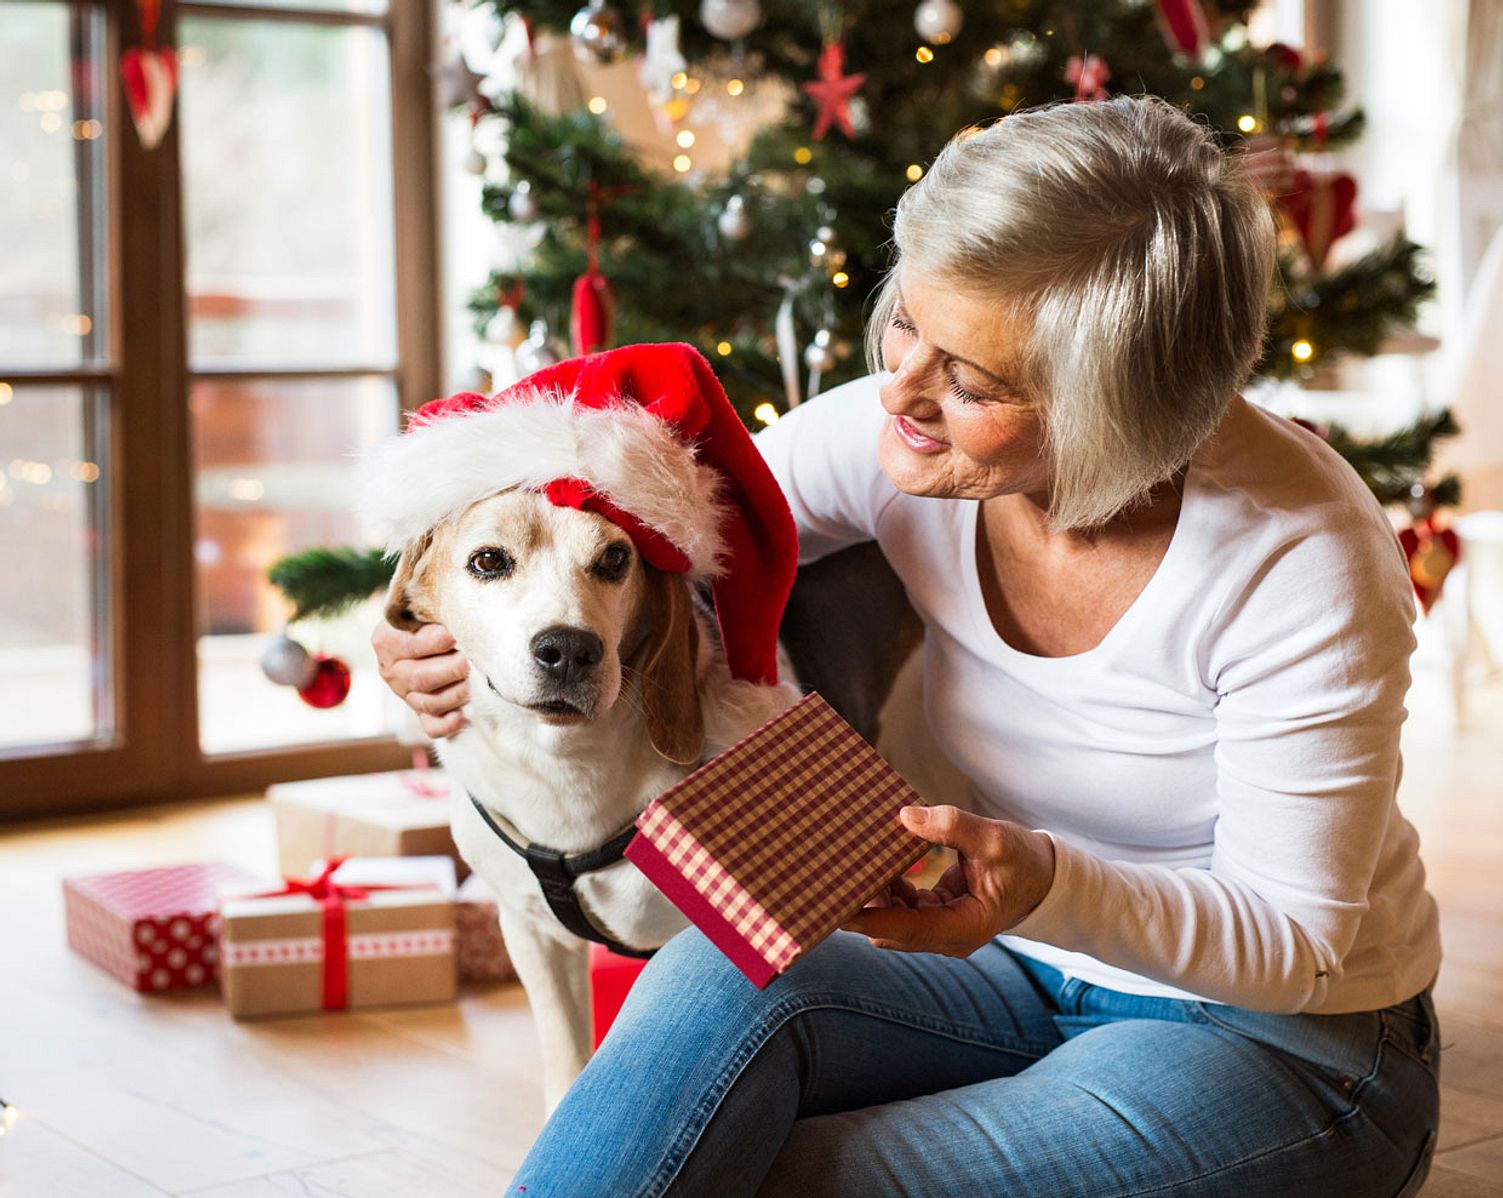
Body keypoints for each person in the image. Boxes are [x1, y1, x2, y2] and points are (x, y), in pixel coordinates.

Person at [373, 96, 1442, 1198]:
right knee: (697, 996)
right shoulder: (894, 441)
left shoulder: (1300, 557)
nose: (901, 392)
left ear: (1114, 407)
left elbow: (1294, 939)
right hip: (999, 965)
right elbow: (616, 520)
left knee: (763, 1176)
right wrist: (414, 619)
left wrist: (1049, 883)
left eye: (971, 381)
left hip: (1273, 1034)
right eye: (906, 327)